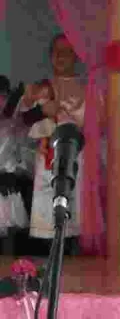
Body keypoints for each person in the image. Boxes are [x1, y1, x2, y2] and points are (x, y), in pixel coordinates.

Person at [18, 34, 90, 254]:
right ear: (50, 55)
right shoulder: (41, 87)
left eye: (66, 52)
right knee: (46, 215)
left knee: (73, 207)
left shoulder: (86, 87)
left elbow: (90, 123)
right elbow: (21, 121)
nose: (60, 56)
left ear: (76, 56)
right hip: (46, 154)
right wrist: (40, 110)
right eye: (56, 52)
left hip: (75, 154)